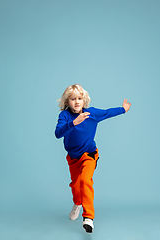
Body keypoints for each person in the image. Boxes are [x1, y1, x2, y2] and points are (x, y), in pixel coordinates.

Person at [55, 84, 131, 233]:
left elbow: (107, 112)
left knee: (85, 180)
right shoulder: (64, 116)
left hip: (89, 154)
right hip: (73, 158)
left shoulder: (91, 114)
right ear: (67, 102)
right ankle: (77, 203)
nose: (77, 102)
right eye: (73, 99)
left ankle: (88, 218)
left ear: (84, 101)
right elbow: (58, 133)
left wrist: (123, 109)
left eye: (80, 99)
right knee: (76, 186)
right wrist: (74, 123)